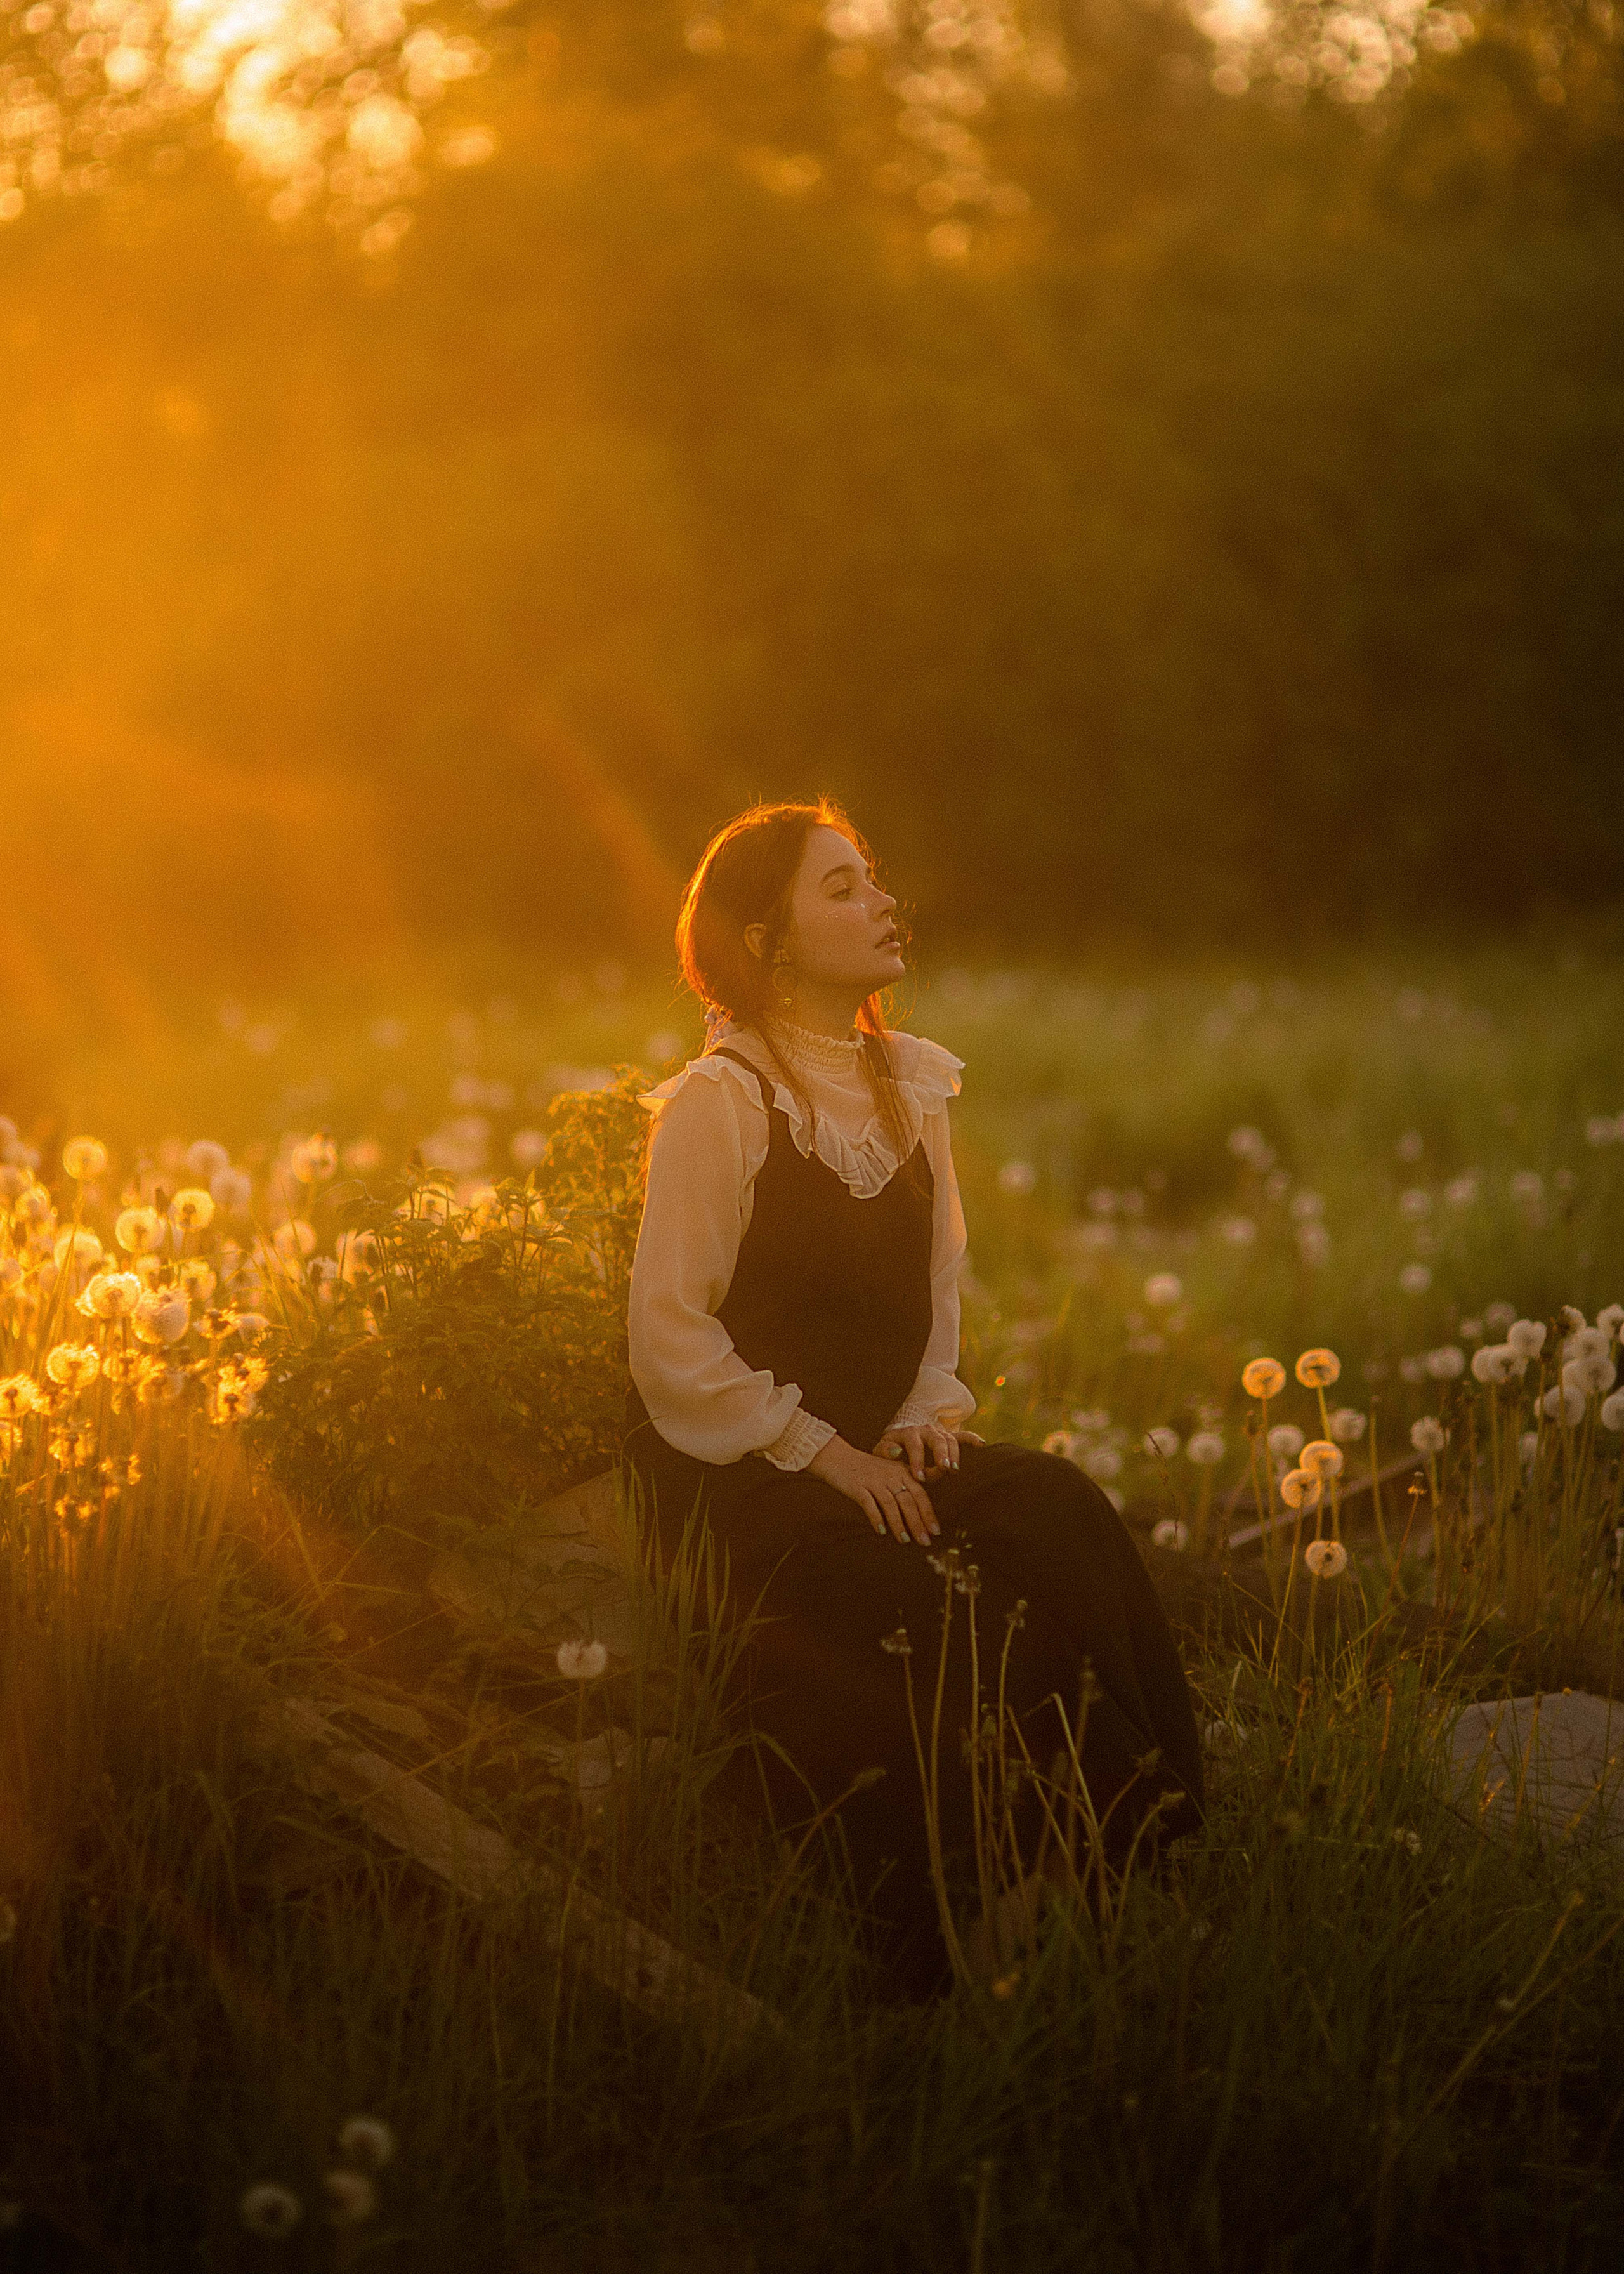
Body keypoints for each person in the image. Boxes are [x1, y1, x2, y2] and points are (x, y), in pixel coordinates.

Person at [622, 799, 1202, 1995]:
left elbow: (937, 1294)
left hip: (884, 1443)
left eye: (872, 877)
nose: (882, 902)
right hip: (748, 1469)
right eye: (841, 888)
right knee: (941, 1619)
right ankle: (963, 1932)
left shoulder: (912, 1086)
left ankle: (1126, 1856)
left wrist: (924, 1422)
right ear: (767, 941)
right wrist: (828, 1455)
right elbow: (667, 1338)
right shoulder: (718, 1105)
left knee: (1056, 1511)